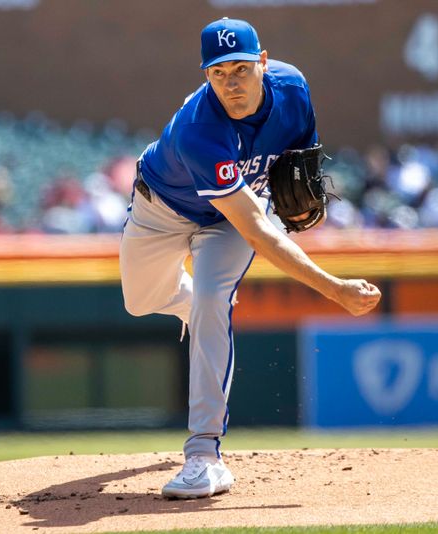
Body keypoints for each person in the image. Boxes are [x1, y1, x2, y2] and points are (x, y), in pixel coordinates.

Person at [119, 18, 382, 499]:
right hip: (162, 207)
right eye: (218, 72)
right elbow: (260, 232)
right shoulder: (200, 129)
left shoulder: (294, 88)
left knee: (214, 298)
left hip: (229, 220)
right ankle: (190, 307)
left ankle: (203, 456)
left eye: (241, 67)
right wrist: (334, 289)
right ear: (205, 76)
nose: (231, 81)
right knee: (140, 301)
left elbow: (299, 168)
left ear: (263, 61)